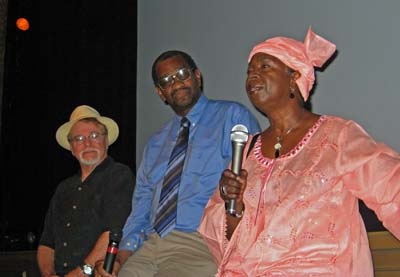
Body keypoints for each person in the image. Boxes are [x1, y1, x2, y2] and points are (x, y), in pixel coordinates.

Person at [198, 27, 400, 276]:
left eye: (264, 67)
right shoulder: (247, 150)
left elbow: (392, 190)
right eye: (249, 71)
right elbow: (223, 243)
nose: (252, 76)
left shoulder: (337, 136)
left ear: (294, 76)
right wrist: (234, 206)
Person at [95, 50, 260, 277]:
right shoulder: (156, 142)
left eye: (182, 73)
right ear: (161, 93)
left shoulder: (231, 116)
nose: (177, 82)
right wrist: (123, 255)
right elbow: (142, 203)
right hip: (151, 244)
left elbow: (255, 181)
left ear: (197, 76)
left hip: (199, 243)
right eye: (167, 80)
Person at [37, 105, 135, 276]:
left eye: (94, 136)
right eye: (79, 138)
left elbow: (113, 233)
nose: (87, 143)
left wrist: (78, 273)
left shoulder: (119, 175)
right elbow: (47, 243)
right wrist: (47, 273)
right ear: (72, 148)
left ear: (106, 141)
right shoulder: (63, 188)